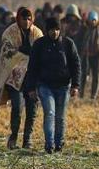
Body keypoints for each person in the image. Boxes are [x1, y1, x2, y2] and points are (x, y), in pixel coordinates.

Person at [23, 18, 81, 154]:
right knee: (49, 113)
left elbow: (75, 65)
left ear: (60, 30)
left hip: (63, 86)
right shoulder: (39, 45)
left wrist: (76, 85)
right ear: (46, 30)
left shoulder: (68, 44)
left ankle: (59, 144)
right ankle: (49, 145)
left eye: (56, 29)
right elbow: (32, 67)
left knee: (60, 117)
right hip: (45, 86)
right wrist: (31, 88)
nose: (54, 32)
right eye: (51, 30)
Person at [0, 7, 43, 150]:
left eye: (29, 19)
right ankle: (14, 136)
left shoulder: (37, 33)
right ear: (18, 19)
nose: (26, 22)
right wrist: (21, 52)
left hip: (32, 78)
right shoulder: (9, 32)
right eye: (23, 18)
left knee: (32, 109)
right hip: (14, 79)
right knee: (17, 107)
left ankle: (27, 139)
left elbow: (41, 53)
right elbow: (6, 51)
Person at [80, 11, 99, 99]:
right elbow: (80, 40)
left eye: (94, 20)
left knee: (96, 76)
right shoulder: (84, 28)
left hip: (97, 55)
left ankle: (93, 95)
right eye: (91, 20)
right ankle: (81, 94)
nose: (93, 22)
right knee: (84, 75)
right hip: (86, 54)